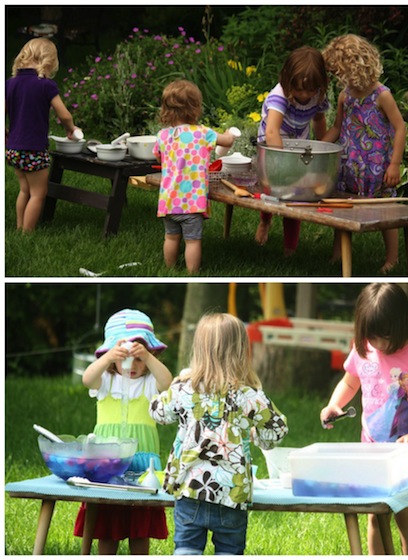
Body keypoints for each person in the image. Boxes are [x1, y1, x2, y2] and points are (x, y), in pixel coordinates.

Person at [149, 312, 288, 555]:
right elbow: (277, 430)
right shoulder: (250, 394)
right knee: (229, 552)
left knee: (187, 549)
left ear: (199, 349)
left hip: (190, 488)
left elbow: (159, 413)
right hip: (232, 494)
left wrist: (173, 387)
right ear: (242, 351)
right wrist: (256, 435)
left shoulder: (184, 389)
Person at [320, 283, 408, 555]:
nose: (379, 344)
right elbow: (350, 384)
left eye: (385, 336)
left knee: (404, 517)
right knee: (375, 514)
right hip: (371, 450)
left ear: (404, 323)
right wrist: (334, 405)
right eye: (372, 337)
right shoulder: (363, 348)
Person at [74, 309, 173, 555]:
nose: (132, 365)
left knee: (140, 529)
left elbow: (168, 383)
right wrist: (107, 358)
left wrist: (149, 359)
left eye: (139, 359)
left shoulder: (150, 383)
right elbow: (87, 379)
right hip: (107, 463)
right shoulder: (106, 382)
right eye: (124, 358)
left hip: (142, 465)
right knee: (108, 528)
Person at [322, 34, 407, 273]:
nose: (338, 79)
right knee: (342, 211)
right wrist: (318, 147)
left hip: (378, 168)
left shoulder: (382, 95)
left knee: (387, 212)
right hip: (351, 166)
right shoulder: (345, 96)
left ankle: (392, 259)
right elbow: (337, 128)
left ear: (355, 66)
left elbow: (400, 128)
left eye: (340, 73)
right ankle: (337, 255)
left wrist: (395, 164)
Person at [153, 79, 235, 273]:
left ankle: (169, 270)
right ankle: (192, 273)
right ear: (195, 108)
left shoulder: (163, 136)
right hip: (191, 202)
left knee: (170, 237)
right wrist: (229, 133)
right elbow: (227, 141)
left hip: (169, 200)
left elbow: (157, 154)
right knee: (192, 241)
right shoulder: (202, 133)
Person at [255, 46, 329, 256]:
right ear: (288, 81)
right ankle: (265, 221)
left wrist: (322, 146)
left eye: (310, 90)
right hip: (273, 147)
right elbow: (272, 131)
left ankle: (290, 250)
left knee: (296, 195)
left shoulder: (318, 95)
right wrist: (282, 163)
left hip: (298, 144)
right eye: (299, 90)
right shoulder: (280, 96)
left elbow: (319, 118)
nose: (305, 95)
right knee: (273, 191)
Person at [6, 38, 81, 232]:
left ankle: (19, 227)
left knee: (24, 189)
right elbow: (64, 114)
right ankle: (27, 234)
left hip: (13, 149)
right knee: (38, 193)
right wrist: (70, 128)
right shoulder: (45, 85)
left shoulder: (10, 83)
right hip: (34, 149)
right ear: (49, 62)